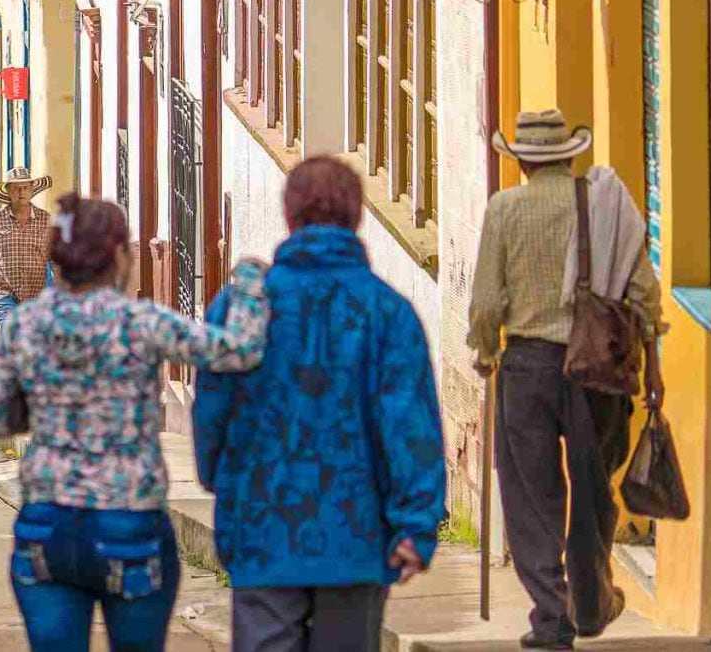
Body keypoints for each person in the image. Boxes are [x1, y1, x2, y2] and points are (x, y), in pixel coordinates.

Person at [0, 196, 270, 652]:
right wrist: (248, 283)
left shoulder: (25, 325)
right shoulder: (140, 322)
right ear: (119, 257)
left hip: (48, 527)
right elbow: (239, 351)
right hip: (130, 524)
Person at [197, 158, 443, 652]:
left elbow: (212, 409)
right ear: (356, 217)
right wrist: (416, 524)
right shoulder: (387, 312)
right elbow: (410, 426)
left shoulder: (244, 307)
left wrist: (218, 476)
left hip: (261, 525)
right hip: (355, 534)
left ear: (289, 216)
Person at [469, 109, 658, 649]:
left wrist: (485, 352)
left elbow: (486, 301)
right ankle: (590, 597)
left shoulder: (504, 210)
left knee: (532, 495)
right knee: (594, 487)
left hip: (527, 368)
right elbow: (641, 293)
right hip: (595, 369)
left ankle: (552, 614)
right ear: (571, 156)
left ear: (523, 161)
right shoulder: (602, 209)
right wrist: (654, 364)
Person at [0, 167, 55, 338]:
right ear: (8, 192)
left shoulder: (45, 220)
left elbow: (56, 257)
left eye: (25, 187)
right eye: (16, 188)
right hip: (4, 292)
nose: (21, 192)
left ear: (32, 190)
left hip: (36, 295)